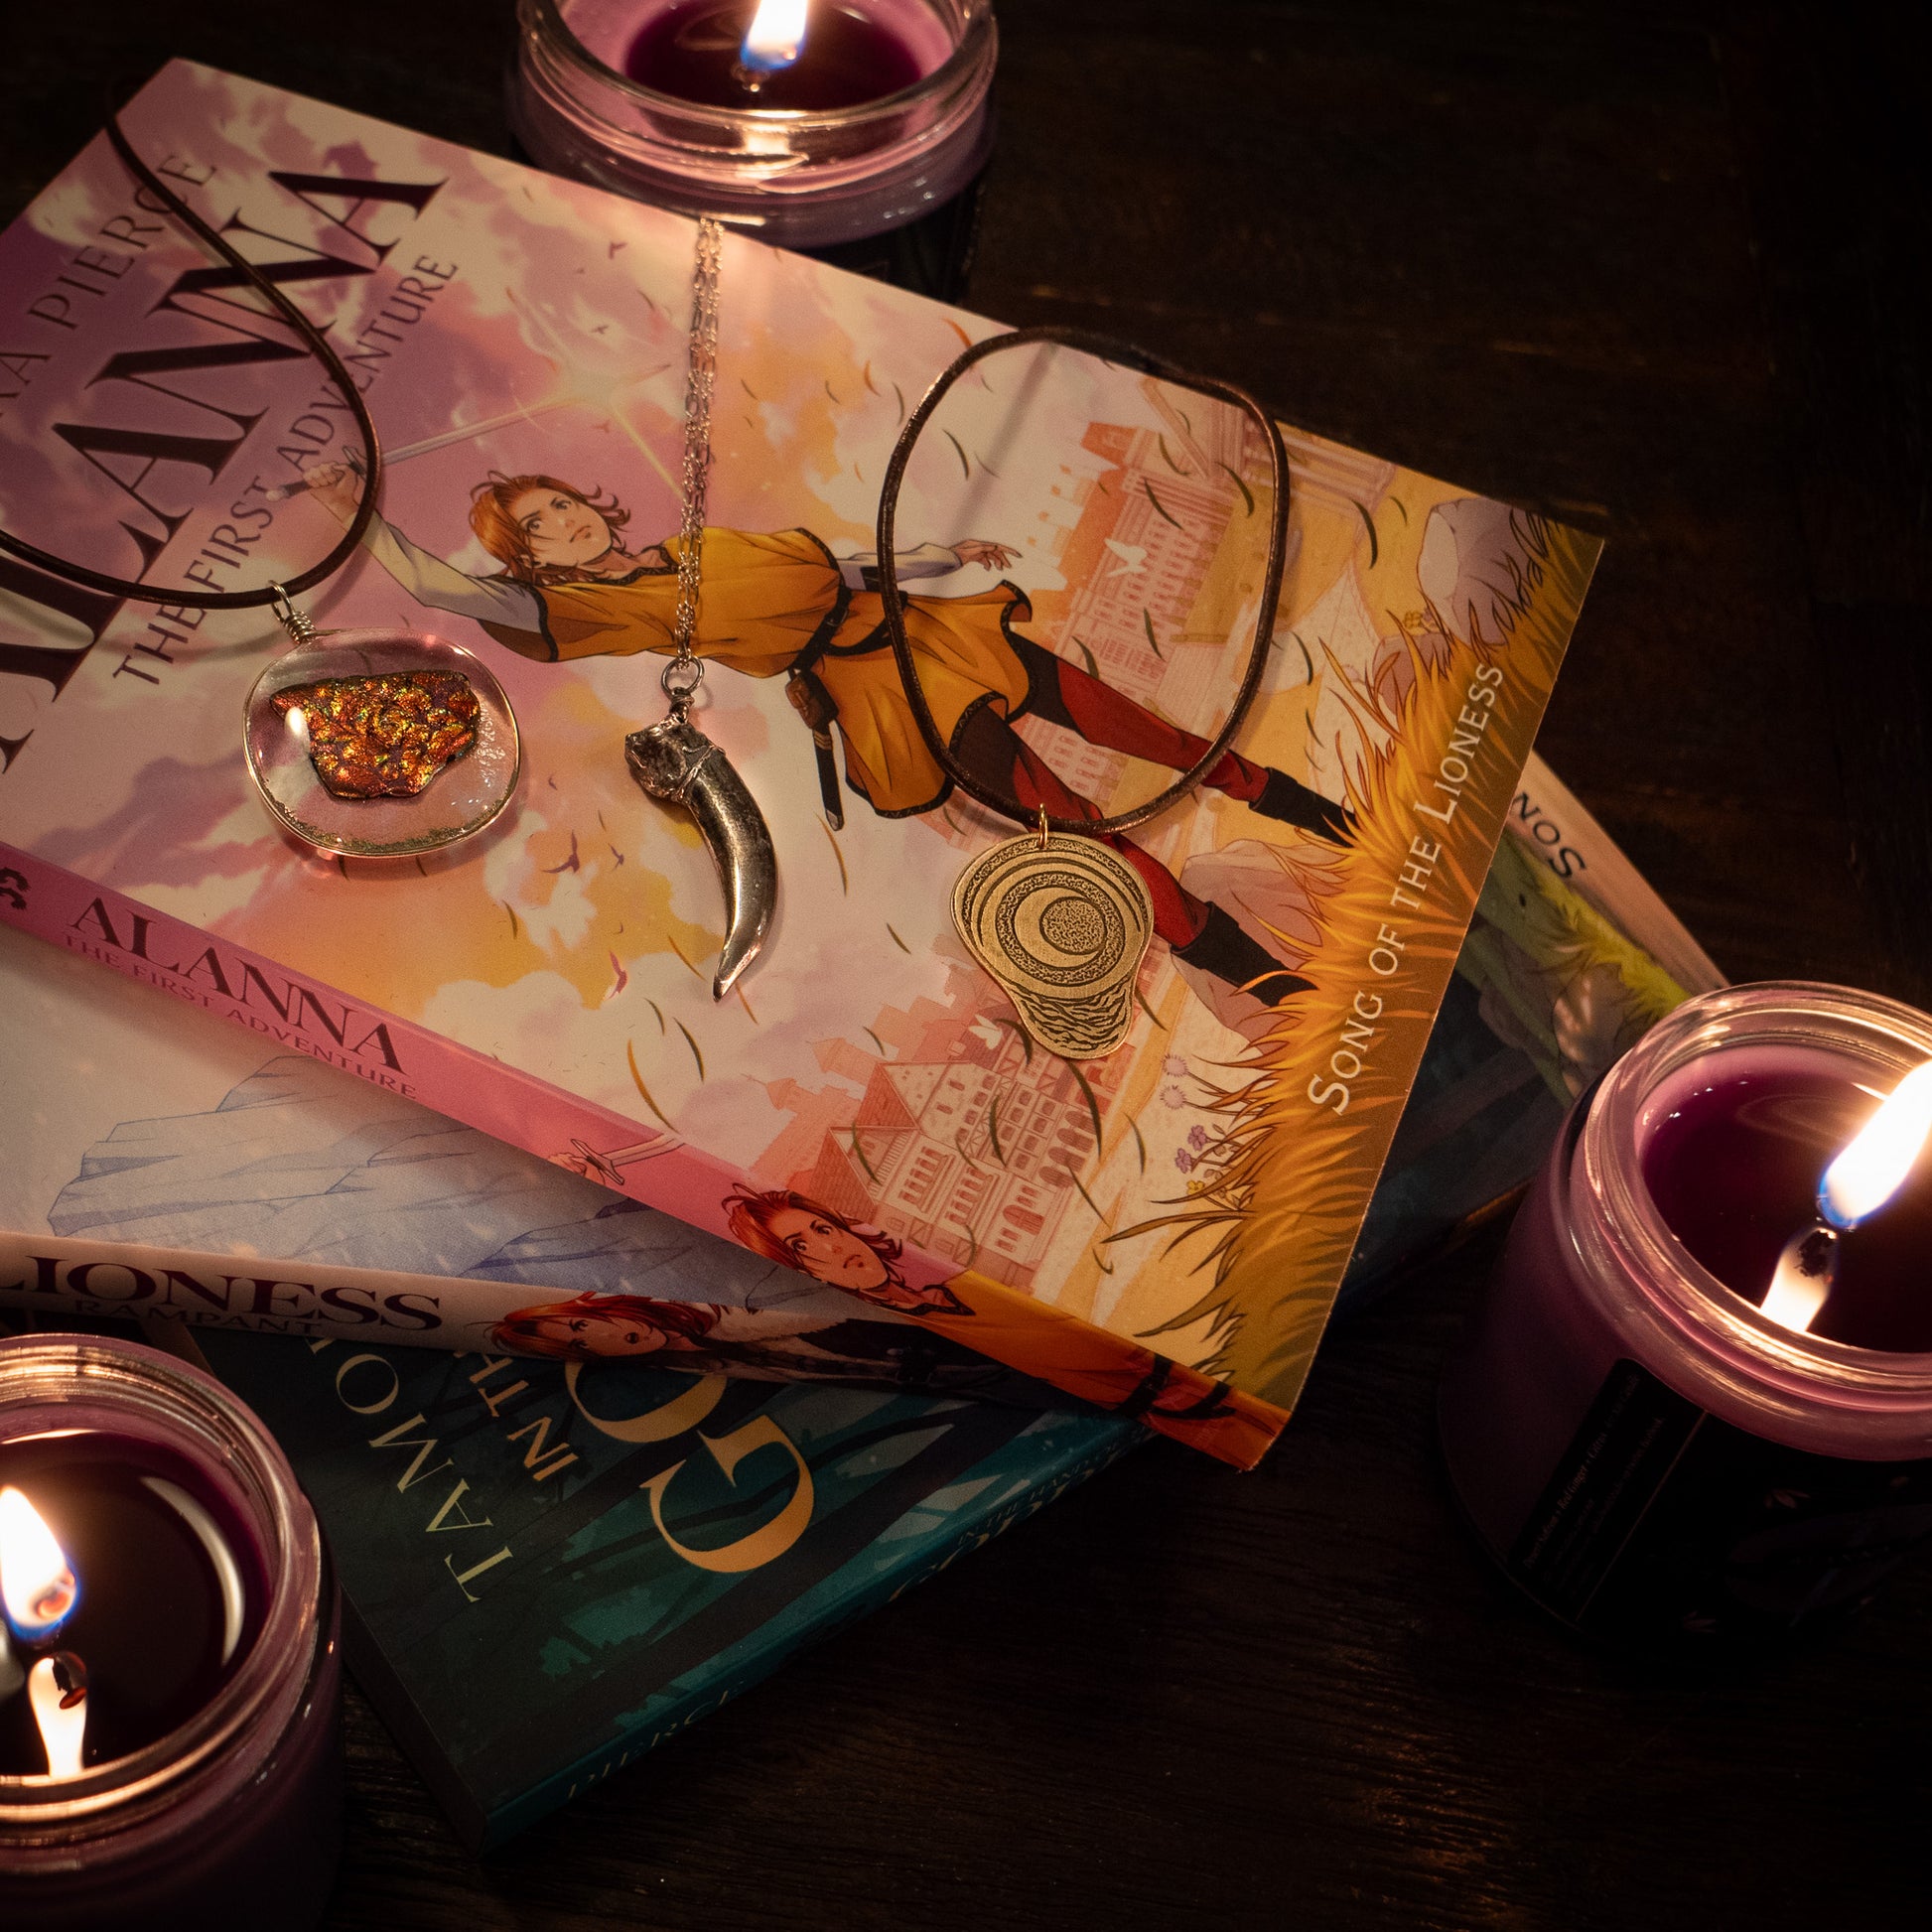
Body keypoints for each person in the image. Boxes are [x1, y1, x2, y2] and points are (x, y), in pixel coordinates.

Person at [306, 465, 1351, 1005]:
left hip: (931, 626)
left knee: (1151, 735)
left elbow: (842, 568)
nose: (567, 521)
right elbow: (441, 587)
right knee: (1075, 827)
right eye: (538, 526)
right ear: (528, 557)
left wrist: (942, 556)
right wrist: (368, 517)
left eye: (564, 502)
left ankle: (1315, 812)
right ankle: (1252, 970)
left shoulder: (702, 543)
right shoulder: (583, 610)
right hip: (883, 690)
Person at [722, 1185, 1277, 1465]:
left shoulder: (960, 1287)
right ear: (798, 1269)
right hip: (1190, 1406)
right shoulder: (906, 1337)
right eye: (802, 1248)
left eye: (823, 1228)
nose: (830, 1247)